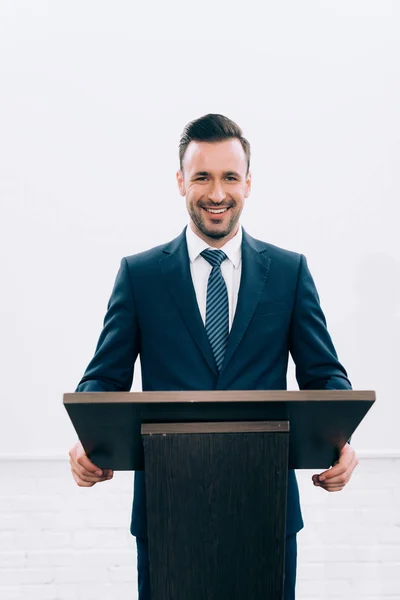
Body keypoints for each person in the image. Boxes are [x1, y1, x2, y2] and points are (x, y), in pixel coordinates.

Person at [69, 113, 359, 599]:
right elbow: (103, 379)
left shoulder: (288, 272)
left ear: (248, 182)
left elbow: (325, 377)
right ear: (181, 181)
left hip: (267, 509)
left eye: (229, 177)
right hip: (168, 509)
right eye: (202, 176)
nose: (217, 193)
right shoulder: (140, 275)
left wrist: (341, 441)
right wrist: (87, 440)